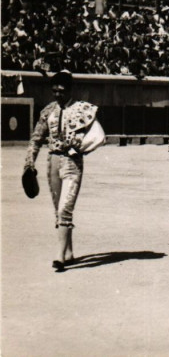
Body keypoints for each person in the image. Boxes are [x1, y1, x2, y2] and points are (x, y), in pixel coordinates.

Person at [24, 71, 105, 271]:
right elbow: (36, 139)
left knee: (64, 209)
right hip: (52, 161)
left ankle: (59, 256)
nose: (57, 94)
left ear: (70, 90)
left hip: (72, 163)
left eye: (61, 91)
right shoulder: (48, 111)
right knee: (58, 210)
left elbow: (98, 136)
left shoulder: (82, 109)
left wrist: (81, 147)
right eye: (54, 91)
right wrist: (29, 163)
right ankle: (68, 252)